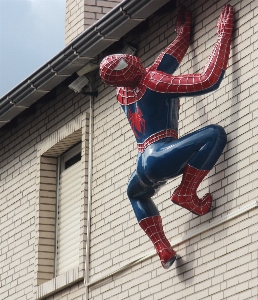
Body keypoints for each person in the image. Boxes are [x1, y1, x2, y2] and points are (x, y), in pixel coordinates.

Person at [100, 4, 234, 269]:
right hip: (160, 153)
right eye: (127, 61)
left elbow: (166, 59)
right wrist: (223, 35)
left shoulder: (123, 92)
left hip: (143, 162)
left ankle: (162, 247)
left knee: (136, 194)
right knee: (214, 134)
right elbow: (208, 80)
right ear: (126, 72)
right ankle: (185, 192)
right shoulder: (153, 82)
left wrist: (182, 35)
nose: (133, 59)